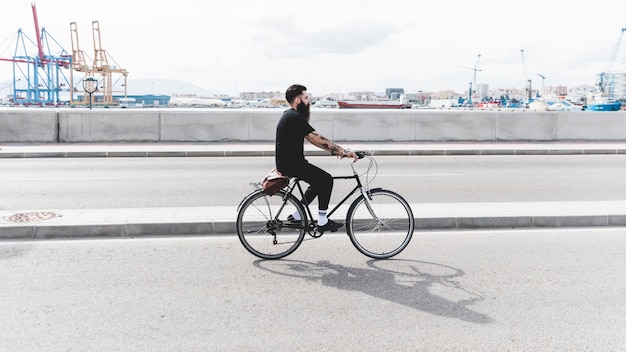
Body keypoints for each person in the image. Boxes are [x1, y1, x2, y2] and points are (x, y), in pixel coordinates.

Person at [275, 84, 359, 232]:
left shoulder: (289, 115)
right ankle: (322, 221)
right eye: (306, 98)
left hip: (290, 162)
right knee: (326, 180)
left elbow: (314, 139)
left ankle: (297, 215)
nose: (309, 102)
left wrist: (338, 151)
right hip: (291, 164)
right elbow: (316, 139)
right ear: (298, 100)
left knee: (317, 182)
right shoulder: (294, 117)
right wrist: (342, 151)